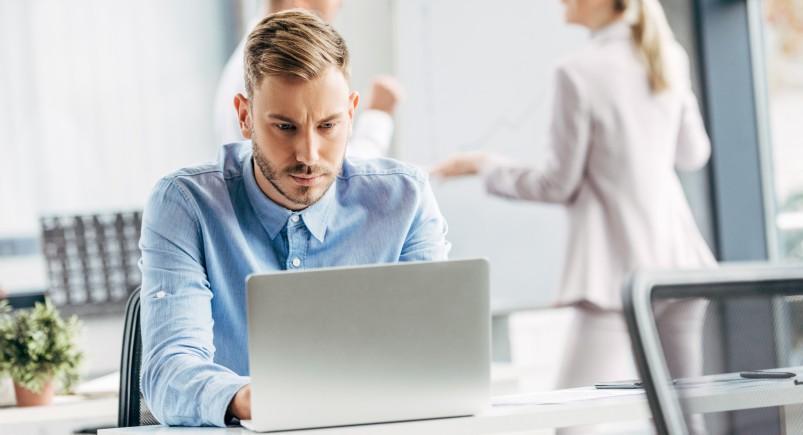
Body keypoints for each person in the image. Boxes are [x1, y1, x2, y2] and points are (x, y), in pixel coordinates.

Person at [139, 10, 449, 427]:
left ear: (352, 113)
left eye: (328, 126)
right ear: (245, 116)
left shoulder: (406, 198)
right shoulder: (186, 204)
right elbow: (168, 371)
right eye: (285, 127)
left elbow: (435, 354)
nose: (308, 154)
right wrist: (250, 397)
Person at [432, 0, 714, 427]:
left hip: (615, 274)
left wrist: (483, 166)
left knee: (573, 422)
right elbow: (693, 154)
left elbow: (557, 185)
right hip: (679, 267)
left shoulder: (578, 72)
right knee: (682, 419)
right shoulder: (669, 55)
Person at [214, 0, 403, 158]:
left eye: (326, 125)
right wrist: (377, 118)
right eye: (286, 127)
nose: (341, 4)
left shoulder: (246, 63)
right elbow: (329, 181)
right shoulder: (267, 74)